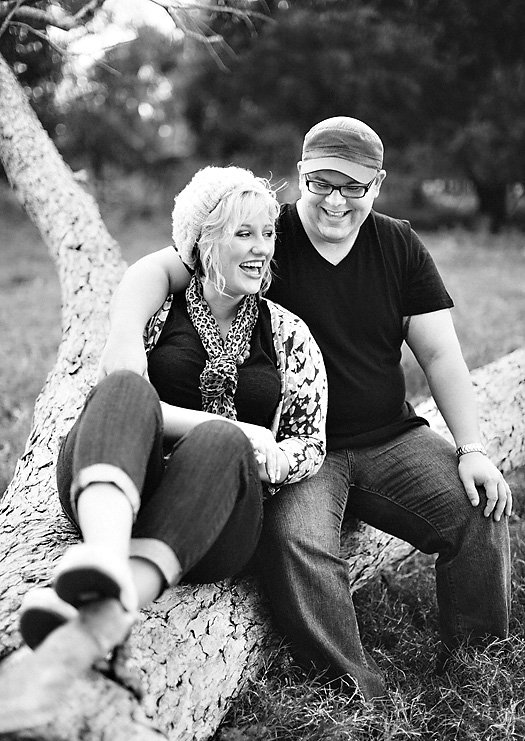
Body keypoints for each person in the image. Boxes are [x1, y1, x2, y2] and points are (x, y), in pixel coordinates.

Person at [95, 117, 512, 700]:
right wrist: (122, 335)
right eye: (321, 184)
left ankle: (479, 660)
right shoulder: (266, 234)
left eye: (354, 187)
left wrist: (472, 449)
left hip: (390, 436)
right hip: (295, 449)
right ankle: (355, 688)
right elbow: (161, 266)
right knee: (297, 542)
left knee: (478, 508)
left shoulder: (398, 245)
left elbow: (441, 354)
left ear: (377, 184)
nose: (336, 201)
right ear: (301, 176)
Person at [18, 165, 327, 651]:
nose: (262, 248)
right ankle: (104, 562)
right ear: (202, 243)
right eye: (243, 234)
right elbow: (119, 403)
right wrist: (237, 426)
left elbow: (310, 439)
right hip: (121, 487)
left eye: (267, 233)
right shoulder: (156, 311)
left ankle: (114, 599)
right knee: (127, 387)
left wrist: (275, 456)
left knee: (223, 441)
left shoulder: (288, 333)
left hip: (214, 514)